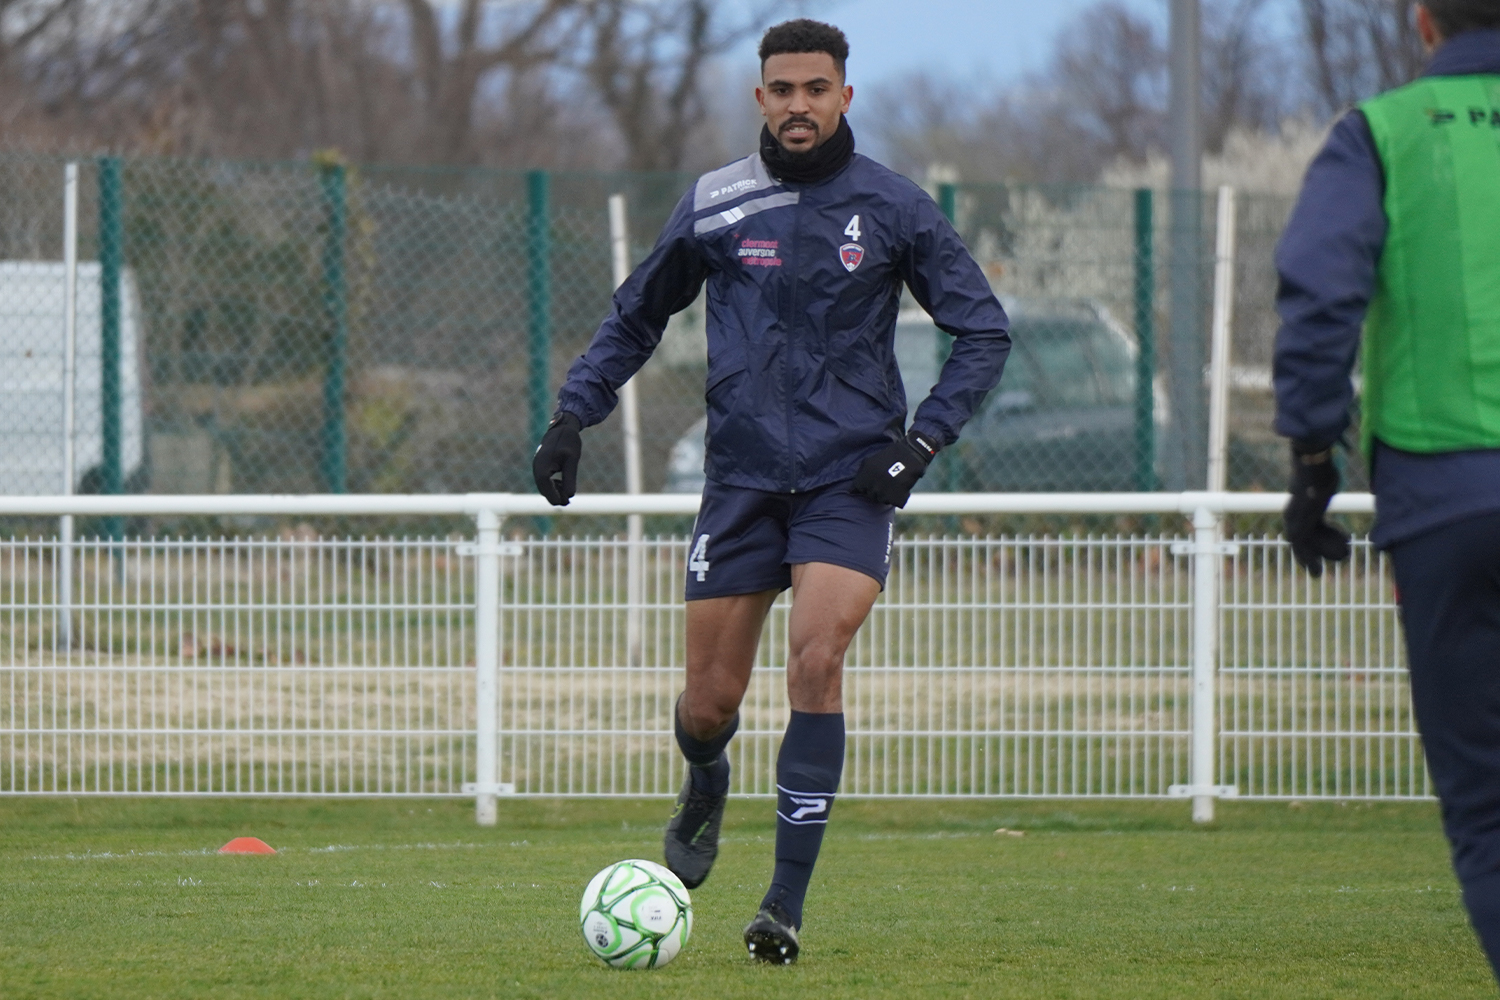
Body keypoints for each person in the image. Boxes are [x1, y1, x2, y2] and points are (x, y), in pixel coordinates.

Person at [531, 19, 1010, 964]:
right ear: (760, 98)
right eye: (782, 89)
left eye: (816, 88)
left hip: (850, 479)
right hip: (741, 479)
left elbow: (983, 330)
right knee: (707, 704)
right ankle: (705, 782)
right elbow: (636, 315)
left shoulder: (895, 207)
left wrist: (919, 445)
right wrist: (570, 417)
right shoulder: (716, 203)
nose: (799, 105)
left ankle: (781, 906)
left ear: (844, 97)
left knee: (816, 665)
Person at [1273, 0, 1500, 982]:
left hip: (1445, 496)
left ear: (1422, 23)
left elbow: (1321, 297)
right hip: (1440, 493)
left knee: (1487, 805)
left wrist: (1313, 467)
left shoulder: (1381, 133)